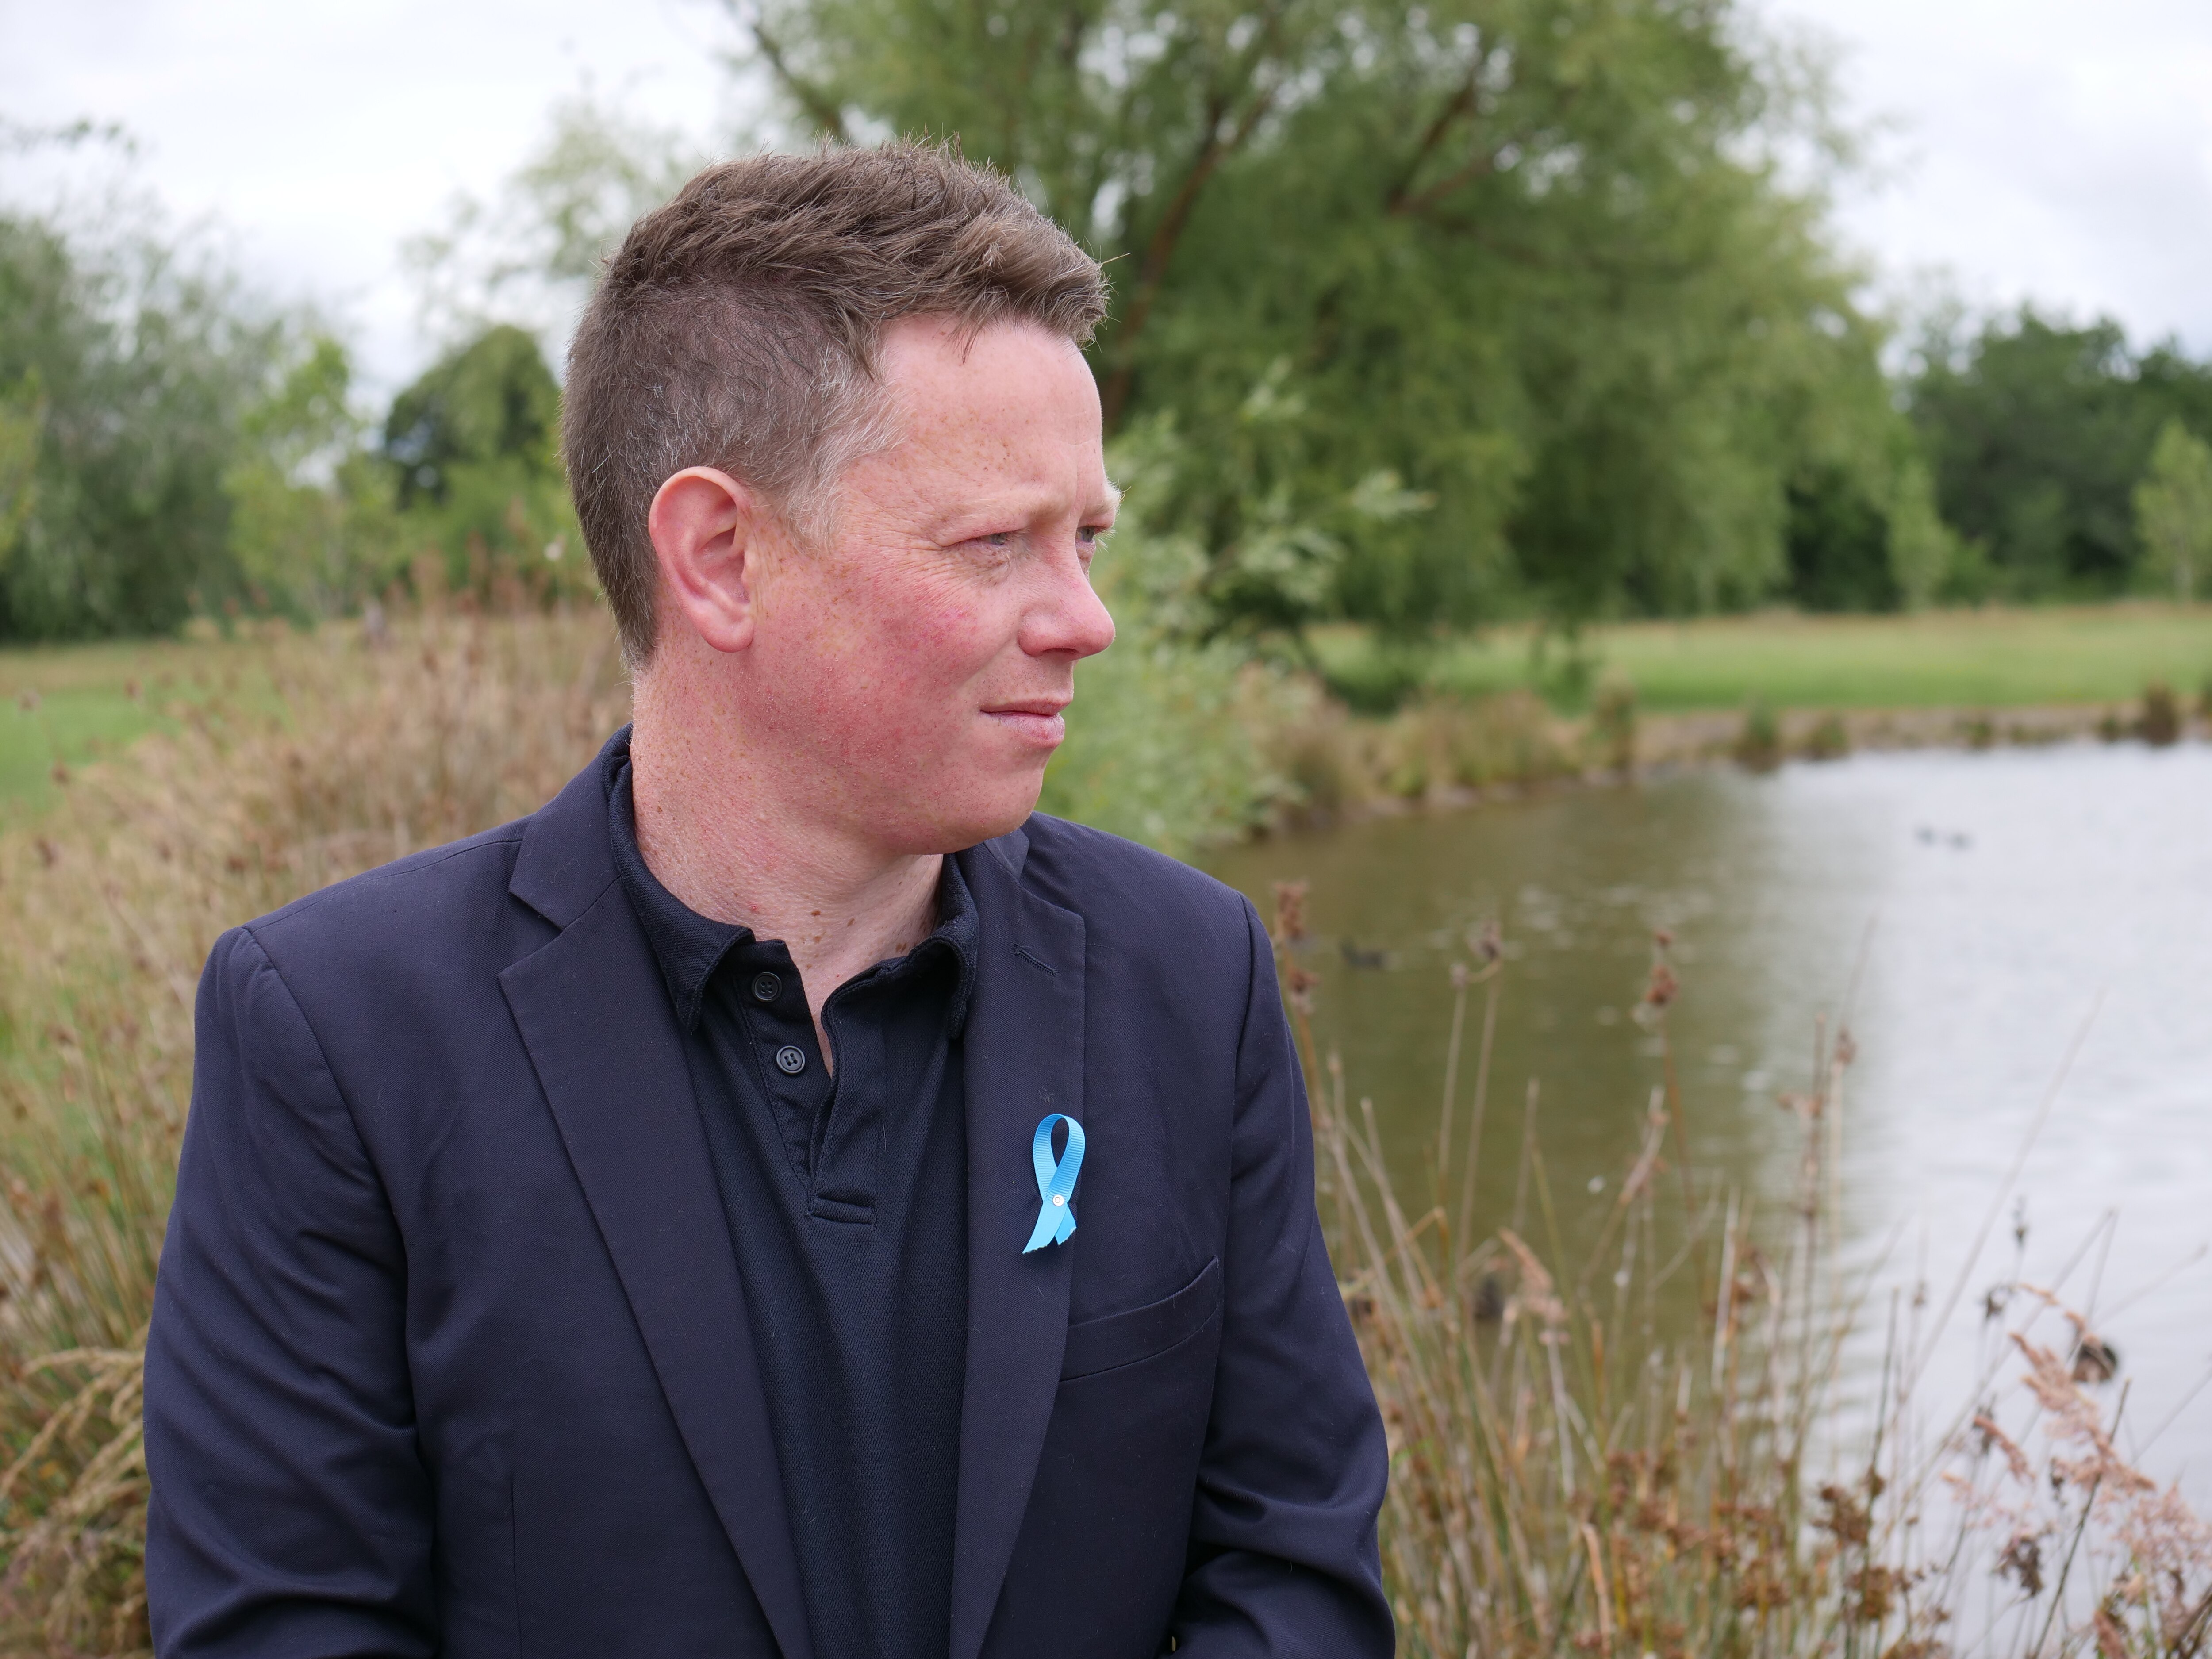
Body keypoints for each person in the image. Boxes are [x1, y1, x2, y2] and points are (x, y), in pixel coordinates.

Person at [144, 142, 1392, 1659]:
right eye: (998, 542)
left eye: (1089, 537)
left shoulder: (1191, 979)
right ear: (720, 558)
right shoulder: (338, 1038)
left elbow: (1293, 1579)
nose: (1089, 619)